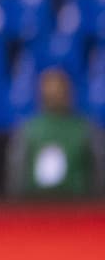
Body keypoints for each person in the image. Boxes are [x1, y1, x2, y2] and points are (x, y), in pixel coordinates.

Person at [6, 67, 105, 198]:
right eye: (50, 91)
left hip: (78, 205)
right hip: (34, 205)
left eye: (59, 90)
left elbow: (99, 170)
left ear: (68, 93)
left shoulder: (86, 128)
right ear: (41, 94)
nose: (54, 95)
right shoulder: (27, 128)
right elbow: (16, 173)